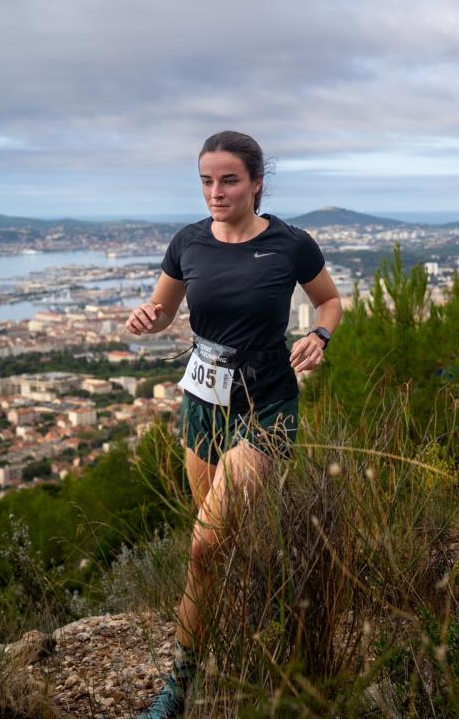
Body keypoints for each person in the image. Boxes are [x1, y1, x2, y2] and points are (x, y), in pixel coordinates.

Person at [125, 130, 342, 719]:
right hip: (203, 401)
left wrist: (320, 335)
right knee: (218, 547)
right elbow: (165, 310)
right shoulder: (187, 242)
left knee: (204, 545)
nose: (215, 192)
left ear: (256, 183)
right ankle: (241, 629)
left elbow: (329, 301)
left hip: (265, 401)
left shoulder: (289, 244)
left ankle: (177, 687)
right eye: (206, 181)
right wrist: (147, 317)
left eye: (228, 180)